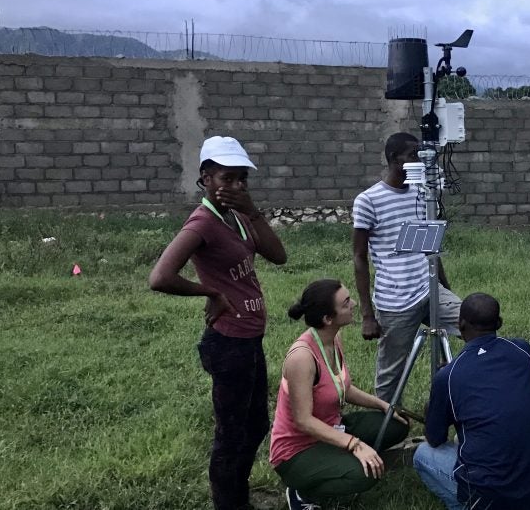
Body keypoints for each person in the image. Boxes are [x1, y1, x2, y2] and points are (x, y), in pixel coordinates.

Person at [148, 136, 288, 510]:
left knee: (256, 424)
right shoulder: (203, 222)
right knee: (231, 434)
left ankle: (237, 496)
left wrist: (253, 210)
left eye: (242, 178)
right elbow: (160, 277)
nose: (237, 186)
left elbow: (279, 255)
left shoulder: (238, 216)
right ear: (206, 178)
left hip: (250, 337)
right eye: (227, 178)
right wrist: (209, 293)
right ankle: (229, 502)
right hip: (228, 343)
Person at [269, 279, 409, 509]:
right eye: (346, 303)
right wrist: (354, 444)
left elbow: (344, 388)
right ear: (327, 319)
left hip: (332, 427)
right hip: (297, 449)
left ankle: (338, 458)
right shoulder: (302, 358)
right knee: (366, 476)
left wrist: (383, 405)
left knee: (397, 424)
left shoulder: (333, 338)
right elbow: (303, 421)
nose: (353, 303)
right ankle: (301, 491)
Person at [412, 293, 530, 510]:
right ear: (499, 323)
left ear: (460, 325)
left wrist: (436, 400)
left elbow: (434, 438)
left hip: (489, 491)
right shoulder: (523, 350)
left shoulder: (449, 376)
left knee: (422, 454)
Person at [352, 132, 461, 402]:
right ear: (393, 159)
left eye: (422, 155)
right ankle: (390, 425)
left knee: (475, 323)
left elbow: (430, 246)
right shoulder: (368, 200)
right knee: (391, 373)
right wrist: (367, 315)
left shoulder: (423, 195)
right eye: (412, 156)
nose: (420, 161)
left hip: (428, 288)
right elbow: (359, 258)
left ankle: (453, 395)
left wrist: (444, 287)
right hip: (396, 301)